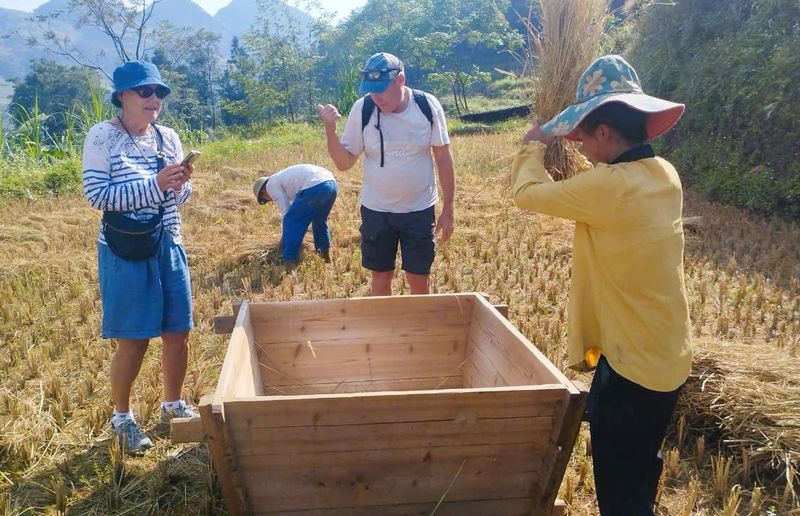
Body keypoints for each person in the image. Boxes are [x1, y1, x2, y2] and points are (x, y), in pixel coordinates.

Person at [510, 55, 692, 515]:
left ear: (606, 133)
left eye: (584, 137)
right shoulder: (664, 175)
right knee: (641, 464)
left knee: (617, 486)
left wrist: (533, 146)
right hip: (669, 354)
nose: (583, 148)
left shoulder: (611, 187)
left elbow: (526, 194)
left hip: (631, 366)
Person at [82, 60, 197, 453]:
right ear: (123, 96)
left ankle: (173, 405)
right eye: (146, 91)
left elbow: (178, 200)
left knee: (177, 332)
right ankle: (122, 418)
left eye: (160, 93)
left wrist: (179, 185)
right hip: (124, 247)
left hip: (168, 241)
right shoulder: (102, 137)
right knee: (133, 339)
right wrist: (155, 184)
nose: (155, 99)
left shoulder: (169, 138)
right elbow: (98, 195)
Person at [317, 52, 455, 296]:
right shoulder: (364, 109)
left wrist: (449, 209)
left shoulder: (426, 105)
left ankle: (417, 331)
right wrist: (330, 130)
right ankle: (385, 333)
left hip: (419, 209)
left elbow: (443, 158)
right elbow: (344, 163)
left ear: (400, 80)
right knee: (380, 277)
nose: (376, 97)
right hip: (377, 211)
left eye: (381, 89)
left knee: (419, 278)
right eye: (371, 90)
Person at [252, 164, 338, 265]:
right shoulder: (283, 180)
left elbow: (287, 212)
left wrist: (284, 237)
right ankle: (324, 255)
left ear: (262, 192)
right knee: (319, 220)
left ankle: (289, 261)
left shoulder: (270, 185)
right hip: (331, 184)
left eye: (266, 199)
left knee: (291, 220)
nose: (270, 200)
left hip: (314, 185)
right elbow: (297, 207)